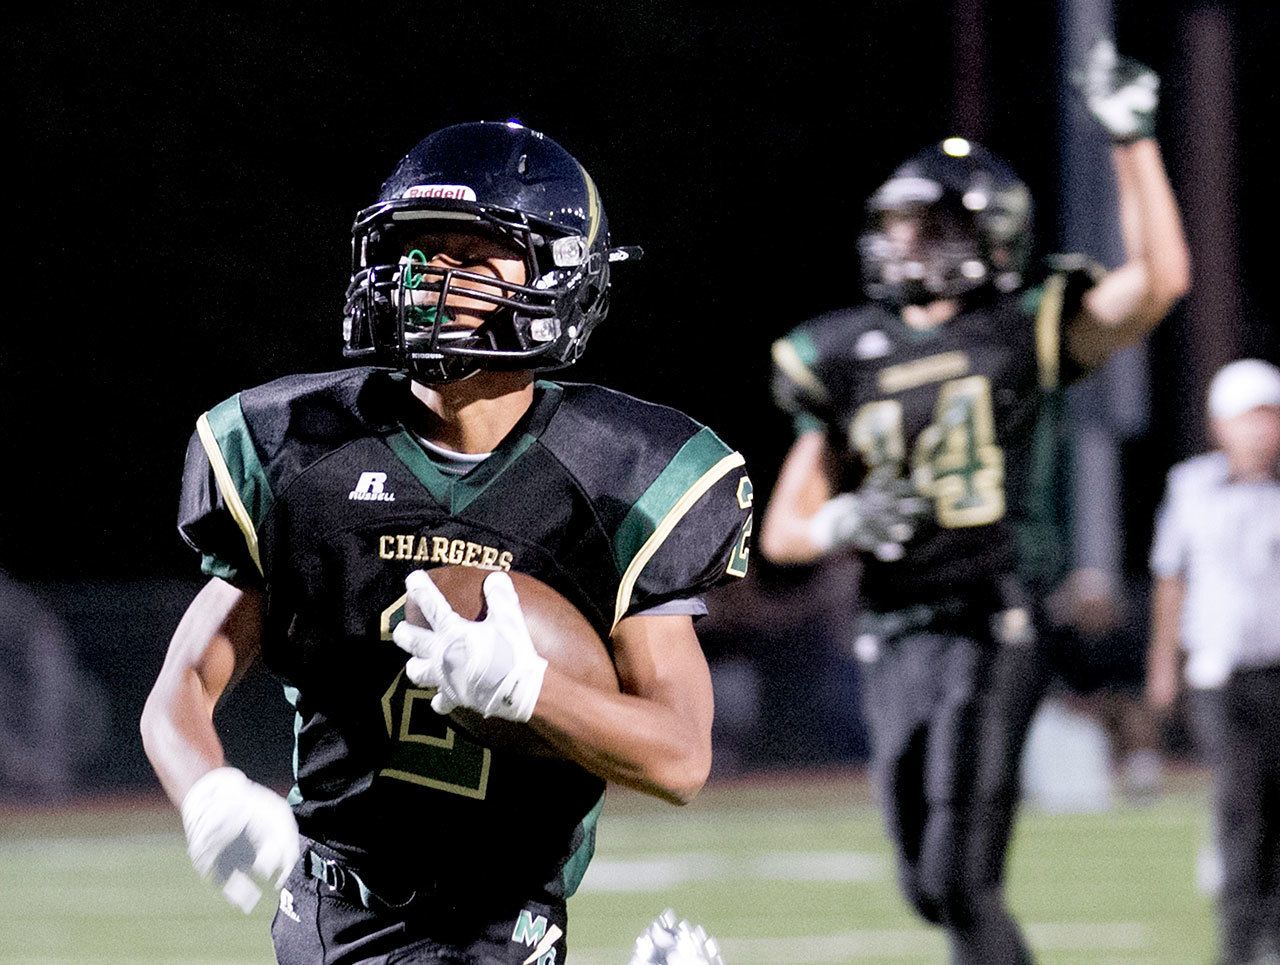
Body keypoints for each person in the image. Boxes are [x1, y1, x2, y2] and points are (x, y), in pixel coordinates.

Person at [140, 121, 753, 965]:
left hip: (511, 916)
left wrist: (526, 686)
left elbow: (680, 755)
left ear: (560, 279)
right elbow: (184, 682)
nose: (432, 279)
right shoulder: (300, 449)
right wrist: (205, 791)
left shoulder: (618, 472)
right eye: (421, 254)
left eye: (474, 256)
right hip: (331, 903)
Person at [758, 41, 1189, 964]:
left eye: (925, 224)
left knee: (963, 878)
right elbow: (786, 528)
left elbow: (1158, 283)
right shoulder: (844, 350)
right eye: (896, 224)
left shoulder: (1020, 323)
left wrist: (1132, 144)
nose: (899, 240)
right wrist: (839, 521)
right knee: (926, 883)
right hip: (892, 627)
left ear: (983, 232)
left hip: (996, 617)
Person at [1147, 358, 1280, 965]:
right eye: (1248, 418)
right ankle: (1237, 944)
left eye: (1269, 417)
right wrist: (1163, 663)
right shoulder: (1190, 486)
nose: (1260, 431)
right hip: (1220, 671)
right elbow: (1171, 578)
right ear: (1219, 425)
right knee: (1239, 803)